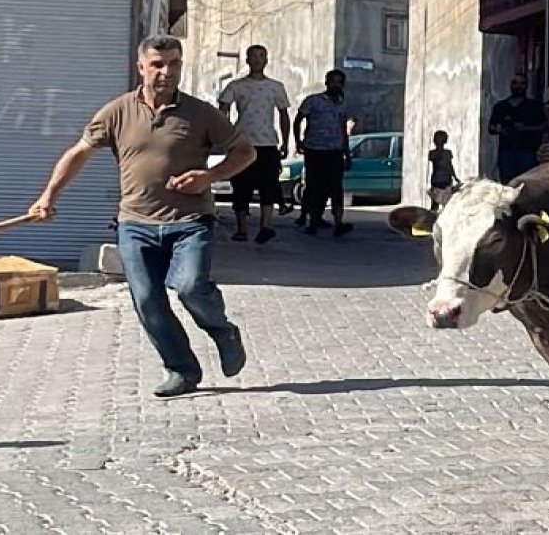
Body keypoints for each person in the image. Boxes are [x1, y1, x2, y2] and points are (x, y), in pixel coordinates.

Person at [28, 34, 257, 398]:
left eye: (175, 64)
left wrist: (210, 177)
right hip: (135, 225)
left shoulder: (200, 113)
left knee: (189, 286)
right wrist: (48, 196)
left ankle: (222, 331)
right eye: (158, 64)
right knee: (147, 299)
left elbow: (245, 152)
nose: (167, 72)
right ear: (141, 67)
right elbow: (79, 153)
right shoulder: (117, 112)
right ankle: (181, 369)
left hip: (190, 222)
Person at [218, 45, 292, 243]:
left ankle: (266, 226)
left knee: (269, 185)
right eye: (254, 56)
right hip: (243, 142)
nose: (258, 60)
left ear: (267, 60)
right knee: (241, 185)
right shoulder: (236, 85)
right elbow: (222, 108)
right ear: (247, 60)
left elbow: (284, 114)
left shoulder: (276, 86)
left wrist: (286, 142)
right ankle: (242, 228)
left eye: (261, 56)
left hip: (268, 142)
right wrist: (225, 135)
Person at [293, 69, 353, 237]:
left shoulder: (342, 104)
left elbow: (343, 129)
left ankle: (338, 222)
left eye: (339, 82)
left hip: (334, 151)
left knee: (335, 188)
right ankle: (312, 221)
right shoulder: (313, 101)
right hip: (315, 150)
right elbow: (298, 120)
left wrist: (347, 153)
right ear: (326, 82)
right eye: (333, 81)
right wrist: (298, 141)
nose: (336, 85)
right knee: (314, 187)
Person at [488, 72, 547, 182]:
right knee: (508, 184)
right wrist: (500, 130)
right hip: (507, 153)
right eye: (515, 83)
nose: (518, 86)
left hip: (528, 152)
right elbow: (491, 127)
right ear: (511, 85)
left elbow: (544, 127)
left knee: (528, 184)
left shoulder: (534, 106)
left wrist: (526, 128)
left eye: (522, 83)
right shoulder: (500, 107)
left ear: (526, 86)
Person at [427, 130, 460, 212]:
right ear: (446, 140)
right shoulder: (448, 153)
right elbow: (450, 166)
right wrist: (455, 177)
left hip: (435, 180)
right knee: (447, 204)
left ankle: (432, 218)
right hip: (446, 180)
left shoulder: (432, 153)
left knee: (434, 204)